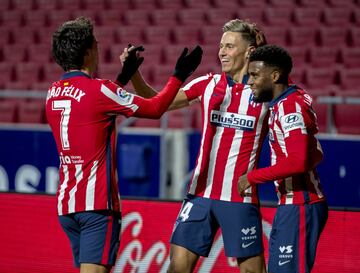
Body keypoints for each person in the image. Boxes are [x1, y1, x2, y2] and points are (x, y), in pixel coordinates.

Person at [45, 17, 202, 273]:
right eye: (95, 44)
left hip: (67, 206)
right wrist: (179, 75)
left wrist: (124, 77)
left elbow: (93, 111)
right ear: (88, 52)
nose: (98, 49)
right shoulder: (99, 90)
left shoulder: (53, 92)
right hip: (97, 207)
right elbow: (155, 109)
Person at [122, 19, 269, 273]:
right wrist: (134, 73)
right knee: (177, 268)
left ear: (249, 51)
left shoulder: (266, 94)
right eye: (221, 46)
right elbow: (157, 102)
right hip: (199, 195)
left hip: (239, 198)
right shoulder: (208, 84)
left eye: (230, 46)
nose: (222, 51)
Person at [238, 44, 328, 273]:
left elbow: (298, 161)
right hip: (291, 205)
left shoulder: (289, 108)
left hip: (300, 205)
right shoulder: (285, 103)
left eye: (255, 75)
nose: (249, 81)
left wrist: (252, 177)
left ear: (275, 76)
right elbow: (316, 153)